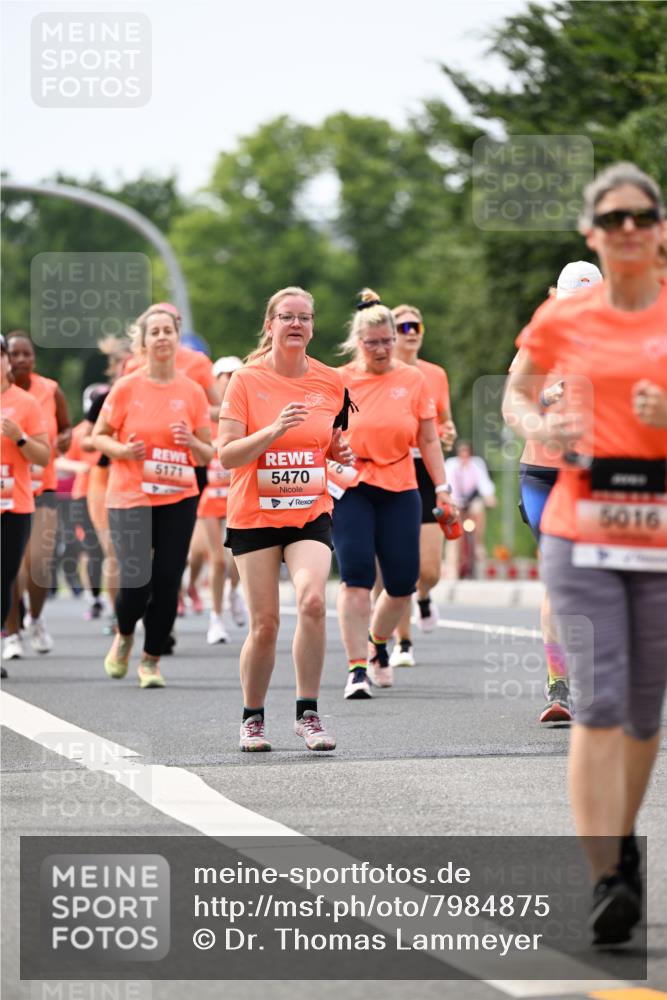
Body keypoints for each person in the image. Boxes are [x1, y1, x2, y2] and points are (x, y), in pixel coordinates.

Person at [503, 162, 667, 945]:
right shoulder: (563, 318)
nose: (627, 229)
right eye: (612, 219)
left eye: (641, 216)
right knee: (597, 701)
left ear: (658, 228)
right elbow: (513, 390)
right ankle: (605, 875)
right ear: (591, 234)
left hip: (658, 531)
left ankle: (623, 847)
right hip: (580, 525)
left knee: (642, 708)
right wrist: (538, 425)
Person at [218, 286, 350, 751]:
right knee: (266, 624)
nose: (296, 324)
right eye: (287, 317)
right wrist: (274, 430)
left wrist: (338, 450)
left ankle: (308, 714)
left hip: (309, 511)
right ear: (270, 325)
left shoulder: (331, 382)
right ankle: (252, 717)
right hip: (254, 514)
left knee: (313, 601)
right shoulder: (245, 381)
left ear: (313, 327)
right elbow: (227, 456)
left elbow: (329, 440)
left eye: (305, 318)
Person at [333, 289, 456, 699]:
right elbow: (323, 436)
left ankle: (377, 642)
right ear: (358, 342)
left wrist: (442, 488)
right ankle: (356, 669)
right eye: (373, 343)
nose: (383, 349)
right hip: (353, 487)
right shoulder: (341, 381)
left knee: (404, 582)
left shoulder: (414, 379)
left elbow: (430, 439)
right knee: (356, 577)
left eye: (388, 341)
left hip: (401, 485)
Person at [92, 305, 213, 688]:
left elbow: (208, 454)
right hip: (130, 495)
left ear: (178, 338)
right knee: (135, 580)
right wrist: (123, 451)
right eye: (154, 332)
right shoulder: (127, 387)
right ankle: (125, 632)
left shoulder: (192, 392)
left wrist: (190, 441)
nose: (162, 337)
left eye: (168, 331)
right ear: (142, 342)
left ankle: (151, 659)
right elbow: (97, 436)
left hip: (178, 495)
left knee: (166, 579)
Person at [506, 260, 603, 724]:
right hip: (543, 473)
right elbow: (512, 402)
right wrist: (543, 402)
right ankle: (557, 685)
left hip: (599, 475)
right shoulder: (540, 341)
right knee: (558, 576)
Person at [388, 303, 456, 667]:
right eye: (403, 327)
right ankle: (403, 644)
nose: (411, 332)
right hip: (394, 470)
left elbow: (444, 421)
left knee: (429, 570)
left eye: (417, 326)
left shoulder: (435, 374)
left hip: (427, 472)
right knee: (401, 564)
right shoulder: (383, 374)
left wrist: (448, 433)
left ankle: (424, 597)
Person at [4, 332, 71, 657]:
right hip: (9, 490)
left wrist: (63, 441)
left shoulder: (49, 390)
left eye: (24, 354)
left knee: (40, 565)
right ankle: (12, 634)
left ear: (33, 358)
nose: (19, 360)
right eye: (13, 354)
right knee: (11, 569)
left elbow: (67, 427)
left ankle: (36, 618)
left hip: (41, 486)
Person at [1, 334, 50, 677]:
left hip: (14, 504)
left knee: (3, 578)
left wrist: (19, 436)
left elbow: (43, 456)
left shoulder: (26, 403)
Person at [188, 355, 246, 644]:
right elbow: (196, 446)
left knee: (238, 557)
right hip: (210, 495)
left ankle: (235, 592)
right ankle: (216, 618)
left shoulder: (245, 408)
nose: (228, 379)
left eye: (234, 374)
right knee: (217, 560)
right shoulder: (203, 411)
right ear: (215, 379)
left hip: (238, 492)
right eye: (222, 375)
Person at [83, 337, 132, 633]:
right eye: (124, 363)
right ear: (115, 368)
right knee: (114, 551)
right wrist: (113, 443)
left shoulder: (157, 396)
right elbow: (86, 441)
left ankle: (157, 613)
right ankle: (118, 617)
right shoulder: (106, 398)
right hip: (106, 480)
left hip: (145, 480)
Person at [55, 384, 108, 619]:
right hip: (83, 497)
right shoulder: (79, 434)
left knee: (114, 550)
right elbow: (59, 462)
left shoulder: (119, 432)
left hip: (113, 497)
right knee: (92, 550)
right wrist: (80, 467)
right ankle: (95, 597)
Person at [444, 440, 497, 577]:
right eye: (462, 453)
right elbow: (449, 485)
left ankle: (479, 542)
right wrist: (453, 502)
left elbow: (484, 483)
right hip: (456, 501)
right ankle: (452, 566)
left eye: (467, 453)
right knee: (455, 530)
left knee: (479, 510)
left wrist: (490, 498)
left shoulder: (476, 464)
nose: (464, 456)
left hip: (471, 500)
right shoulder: (451, 465)